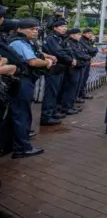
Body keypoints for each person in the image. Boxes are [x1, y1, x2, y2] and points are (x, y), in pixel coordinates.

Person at [8, 19, 52, 158]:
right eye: (32, 29)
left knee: (21, 112)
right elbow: (32, 61)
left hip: (23, 80)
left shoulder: (23, 42)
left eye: (36, 29)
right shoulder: (18, 42)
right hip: (21, 80)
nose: (35, 32)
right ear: (21, 29)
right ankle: (22, 148)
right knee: (21, 113)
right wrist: (47, 63)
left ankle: (19, 143)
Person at [41, 20, 75, 125]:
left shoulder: (60, 38)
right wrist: (70, 59)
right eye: (62, 26)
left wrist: (69, 56)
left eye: (65, 26)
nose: (64, 28)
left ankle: (53, 112)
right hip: (53, 69)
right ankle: (46, 116)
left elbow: (67, 51)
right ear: (55, 28)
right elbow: (58, 52)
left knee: (55, 92)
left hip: (60, 68)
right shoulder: (51, 38)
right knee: (50, 92)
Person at [61, 29, 91, 115]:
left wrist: (86, 56)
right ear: (72, 35)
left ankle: (71, 105)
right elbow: (77, 53)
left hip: (80, 66)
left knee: (76, 87)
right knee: (71, 87)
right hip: (73, 67)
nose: (79, 36)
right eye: (77, 34)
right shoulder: (69, 42)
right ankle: (66, 107)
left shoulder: (77, 43)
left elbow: (84, 51)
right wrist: (86, 56)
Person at [77, 28, 98, 102]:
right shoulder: (81, 41)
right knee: (81, 79)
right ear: (84, 34)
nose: (90, 35)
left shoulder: (89, 41)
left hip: (87, 60)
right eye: (89, 33)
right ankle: (78, 95)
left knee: (85, 78)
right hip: (83, 61)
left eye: (91, 33)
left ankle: (82, 93)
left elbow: (95, 50)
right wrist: (92, 50)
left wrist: (93, 46)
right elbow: (90, 50)